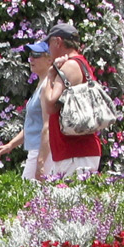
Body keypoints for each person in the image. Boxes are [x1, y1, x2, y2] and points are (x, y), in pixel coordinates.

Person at [37, 21, 102, 180]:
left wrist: (51, 75)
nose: (48, 50)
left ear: (57, 42)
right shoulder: (80, 63)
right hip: (77, 151)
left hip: (75, 153)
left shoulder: (70, 66)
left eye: (49, 44)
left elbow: (51, 105)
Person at [0, 42, 54, 180]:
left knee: (29, 196)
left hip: (42, 151)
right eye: (30, 55)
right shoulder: (41, 85)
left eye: (36, 55)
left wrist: (41, 160)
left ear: (50, 59)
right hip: (37, 150)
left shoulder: (47, 86)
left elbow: (48, 125)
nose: (31, 59)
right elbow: (34, 124)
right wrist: (10, 145)